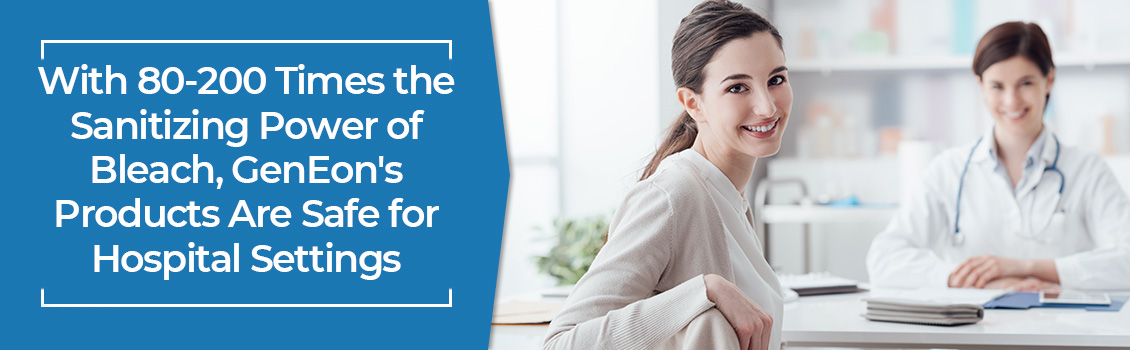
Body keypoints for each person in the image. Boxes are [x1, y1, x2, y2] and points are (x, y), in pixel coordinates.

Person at [542, 1, 792, 349]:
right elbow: (562, 343)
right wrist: (704, 291)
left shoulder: (728, 197)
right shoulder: (673, 196)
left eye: (775, 79)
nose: (767, 106)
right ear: (692, 103)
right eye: (738, 87)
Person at [867, 21, 1130, 291]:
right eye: (997, 86)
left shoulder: (1087, 170)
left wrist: (1024, 267)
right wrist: (973, 278)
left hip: (1062, 329)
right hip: (973, 329)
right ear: (980, 85)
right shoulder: (949, 169)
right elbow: (884, 260)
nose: (1011, 100)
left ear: (1049, 80)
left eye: (1025, 83)